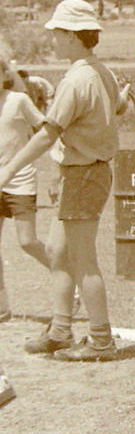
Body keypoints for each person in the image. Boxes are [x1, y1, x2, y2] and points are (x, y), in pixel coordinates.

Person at [0, 0, 130, 361]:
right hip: (84, 172)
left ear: (73, 35)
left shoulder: (78, 78)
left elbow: (47, 133)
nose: (54, 40)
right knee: (58, 252)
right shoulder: (99, 71)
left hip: (85, 173)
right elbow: (122, 107)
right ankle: (60, 330)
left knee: (83, 259)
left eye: (57, 33)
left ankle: (101, 340)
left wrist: (7, 170)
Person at [0, 59, 51, 323]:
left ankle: (69, 278)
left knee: (27, 241)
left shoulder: (18, 100)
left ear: (4, 76)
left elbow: (46, 130)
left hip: (20, 180)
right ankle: (2, 306)